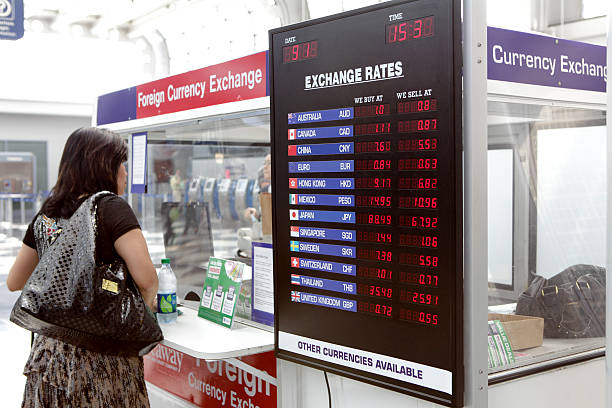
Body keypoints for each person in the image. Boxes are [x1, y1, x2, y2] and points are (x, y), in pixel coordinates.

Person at [6, 127, 158, 407]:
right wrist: (141, 313)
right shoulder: (111, 207)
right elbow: (147, 279)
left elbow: (15, 281)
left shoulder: (48, 213)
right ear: (103, 165)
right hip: (102, 357)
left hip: (50, 358)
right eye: (120, 163)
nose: (124, 171)